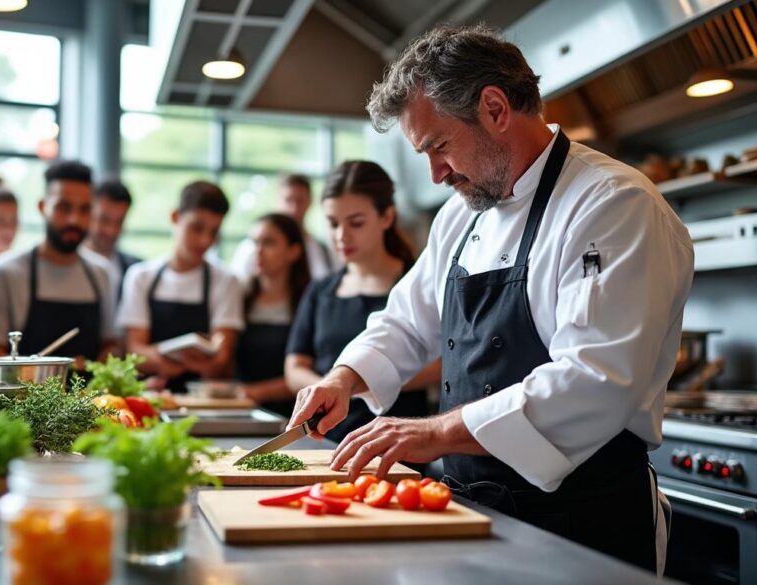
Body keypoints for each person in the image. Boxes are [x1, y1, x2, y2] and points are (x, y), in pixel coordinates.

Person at [286, 25, 693, 573]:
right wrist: (343, 378)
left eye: (439, 146)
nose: (435, 174)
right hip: (473, 510)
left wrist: (433, 432)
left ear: (496, 109)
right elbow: (408, 319)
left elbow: (596, 379)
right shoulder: (461, 214)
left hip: (581, 522)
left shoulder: (612, 204)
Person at [285, 161, 437, 443]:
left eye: (355, 223)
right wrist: (332, 388)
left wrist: (357, 383)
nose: (342, 235)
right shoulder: (320, 291)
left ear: (387, 217)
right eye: (332, 223)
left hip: (399, 442)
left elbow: (443, 362)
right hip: (326, 437)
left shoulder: (419, 283)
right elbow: (293, 369)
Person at [0, 160, 115, 365]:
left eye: (84, 209)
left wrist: (98, 366)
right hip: (23, 396)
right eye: (63, 207)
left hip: (91, 397)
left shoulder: (101, 274)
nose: (74, 220)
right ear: (42, 207)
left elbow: (109, 344)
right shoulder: (6, 273)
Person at [117, 180, 243, 392]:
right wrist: (181, 360)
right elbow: (134, 351)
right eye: (197, 228)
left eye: (213, 232)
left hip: (202, 399)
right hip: (149, 395)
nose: (205, 241)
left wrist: (162, 356)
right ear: (175, 217)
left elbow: (222, 360)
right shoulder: (141, 276)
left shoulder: (226, 281)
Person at [234, 213, 310, 417]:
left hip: (293, 415)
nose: (257, 251)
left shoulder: (309, 301)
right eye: (254, 242)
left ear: (293, 252)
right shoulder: (238, 297)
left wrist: (256, 392)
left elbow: (313, 372)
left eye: (268, 243)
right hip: (241, 412)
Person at [230, 174, 336, 282]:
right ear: (277, 201)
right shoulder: (251, 249)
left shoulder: (324, 252)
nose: (294, 208)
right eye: (288, 200)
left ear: (310, 201)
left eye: (300, 200)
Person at [83, 179, 142, 301]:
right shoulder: (69, 265)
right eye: (104, 219)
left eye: (119, 222)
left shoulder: (136, 269)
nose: (111, 230)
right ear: (88, 213)